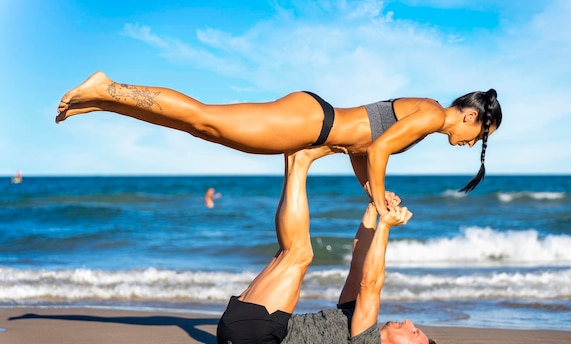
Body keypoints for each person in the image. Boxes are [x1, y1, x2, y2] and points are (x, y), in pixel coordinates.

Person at [56, 71, 502, 215]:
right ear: (470, 115)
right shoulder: (427, 114)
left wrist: (373, 190)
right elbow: (380, 151)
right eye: (479, 135)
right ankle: (108, 87)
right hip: (309, 121)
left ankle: (106, 102)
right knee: (205, 118)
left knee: (201, 128)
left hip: (313, 124)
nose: (470, 144)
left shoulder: (424, 117)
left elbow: (363, 149)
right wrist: (378, 203)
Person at [216, 146, 438, 344]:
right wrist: (374, 208)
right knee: (290, 253)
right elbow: (359, 265)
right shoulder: (356, 326)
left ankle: (299, 160)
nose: (409, 322)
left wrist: (385, 227)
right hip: (250, 337)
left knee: (299, 254)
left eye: (413, 332)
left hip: (256, 343)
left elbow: (370, 282)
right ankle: (294, 157)